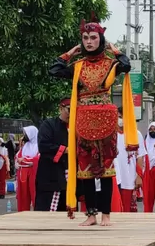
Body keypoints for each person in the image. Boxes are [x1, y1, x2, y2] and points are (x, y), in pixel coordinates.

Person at [49, 15, 138, 226]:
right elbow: (53, 69)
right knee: (85, 169)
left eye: (93, 38)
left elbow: (126, 66)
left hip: (106, 119)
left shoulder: (111, 63)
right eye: (85, 38)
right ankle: (90, 214)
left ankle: (106, 214)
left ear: (101, 40)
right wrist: (70, 52)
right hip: (83, 118)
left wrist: (114, 49)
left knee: (106, 168)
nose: (89, 42)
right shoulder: (77, 66)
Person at [36, 99, 70, 212]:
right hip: (51, 174)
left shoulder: (76, 127)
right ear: (60, 108)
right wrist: (65, 150)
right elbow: (43, 146)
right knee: (48, 208)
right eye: (69, 110)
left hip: (69, 175)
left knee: (67, 207)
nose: (71, 114)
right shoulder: (48, 124)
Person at [15, 126, 39, 212]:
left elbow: (37, 158)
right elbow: (18, 156)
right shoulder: (25, 145)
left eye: (26, 134)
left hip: (33, 172)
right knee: (23, 194)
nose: (24, 135)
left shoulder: (39, 145)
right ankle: (23, 212)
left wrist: (25, 159)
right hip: (23, 172)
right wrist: (21, 160)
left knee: (34, 193)